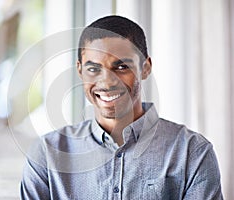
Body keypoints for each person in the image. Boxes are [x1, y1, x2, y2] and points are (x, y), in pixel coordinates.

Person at [20, 15, 223, 199]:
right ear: (80, 70)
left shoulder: (192, 152)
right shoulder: (46, 155)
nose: (107, 82)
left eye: (122, 67)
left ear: (145, 68)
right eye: (93, 68)